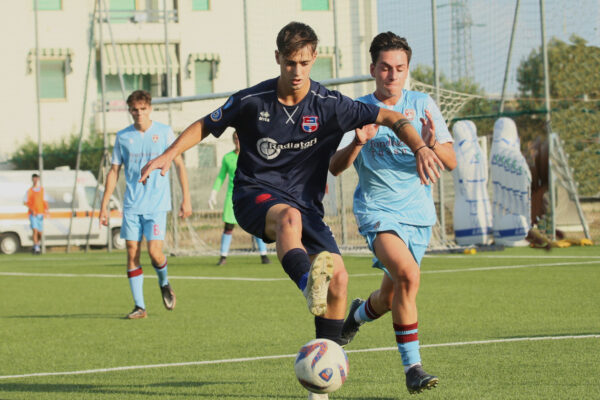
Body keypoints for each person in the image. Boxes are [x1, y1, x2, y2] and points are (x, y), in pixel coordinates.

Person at [140, 22, 442, 399]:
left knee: (339, 279)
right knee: (290, 221)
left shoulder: (330, 105)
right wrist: (168, 154)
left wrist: (420, 147)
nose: (296, 72)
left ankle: (320, 386)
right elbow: (207, 124)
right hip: (255, 198)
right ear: (278, 59)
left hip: (307, 206)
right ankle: (305, 282)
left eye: (303, 62)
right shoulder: (253, 100)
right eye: (289, 63)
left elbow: (390, 118)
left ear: (314, 58)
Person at [329, 32, 457, 394]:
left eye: (399, 68)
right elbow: (335, 167)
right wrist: (357, 142)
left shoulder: (423, 104)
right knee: (408, 276)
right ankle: (412, 368)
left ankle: (353, 317)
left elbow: (450, 161)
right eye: (385, 68)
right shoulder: (358, 109)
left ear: (407, 70)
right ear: (373, 69)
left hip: (418, 216)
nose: (392, 75)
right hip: (378, 211)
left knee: (390, 296)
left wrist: (430, 142)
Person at [99, 90, 192, 320]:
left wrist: (186, 198)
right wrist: (103, 206)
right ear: (129, 111)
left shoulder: (164, 132)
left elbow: (179, 165)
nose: (139, 114)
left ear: (149, 109)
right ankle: (140, 307)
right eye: (134, 110)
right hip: (131, 206)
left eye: (142, 109)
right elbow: (114, 171)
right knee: (132, 252)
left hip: (157, 206)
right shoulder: (122, 137)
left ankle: (164, 281)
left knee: (154, 253)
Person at [208, 131, 271, 266]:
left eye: (239, 138)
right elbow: (221, 177)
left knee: (256, 225)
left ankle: (264, 255)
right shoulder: (227, 158)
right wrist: (213, 192)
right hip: (232, 196)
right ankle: (223, 256)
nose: (237, 141)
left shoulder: (252, 156)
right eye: (235, 138)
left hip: (251, 196)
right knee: (229, 226)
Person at [24, 173, 49, 255]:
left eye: (36, 178)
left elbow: (45, 201)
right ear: (32, 179)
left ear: (38, 179)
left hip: (40, 214)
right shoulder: (29, 191)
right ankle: (37, 248)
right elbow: (25, 202)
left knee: (40, 233)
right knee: (35, 230)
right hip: (33, 214)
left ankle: (36, 245)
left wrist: (47, 211)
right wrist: (32, 210)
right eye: (34, 178)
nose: (35, 180)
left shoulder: (42, 190)